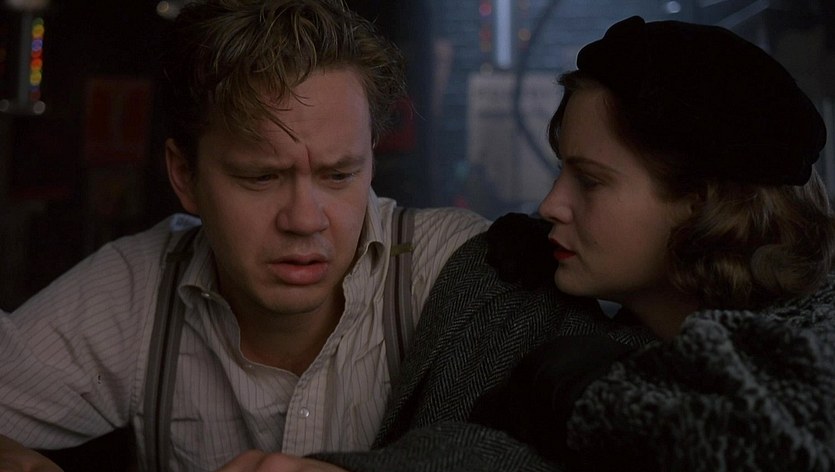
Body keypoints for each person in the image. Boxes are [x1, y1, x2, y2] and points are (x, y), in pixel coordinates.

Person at [0, 0, 502, 470]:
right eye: (261, 177)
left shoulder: (451, 267)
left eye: (339, 175)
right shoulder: (138, 289)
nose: (304, 220)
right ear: (185, 176)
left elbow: (540, 444)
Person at [470, 15, 835, 471]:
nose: (549, 206)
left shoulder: (815, 339)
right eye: (562, 172)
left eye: (589, 181)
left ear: (699, 205)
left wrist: (581, 388)